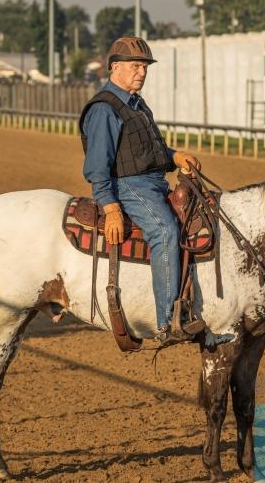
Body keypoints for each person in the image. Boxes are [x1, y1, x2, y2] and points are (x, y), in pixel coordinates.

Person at [79, 36, 201, 343]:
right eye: (136, 66)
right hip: (128, 186)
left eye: (145, 66)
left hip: (154, 181)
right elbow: (97, 168)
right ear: (115, 68)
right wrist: (111, 209)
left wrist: (174, 156)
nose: (142, 72)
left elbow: (148, 149)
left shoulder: (136, 103)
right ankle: (167, 323)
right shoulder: (104, 109)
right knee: (164, 231)